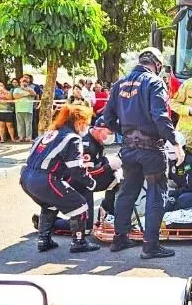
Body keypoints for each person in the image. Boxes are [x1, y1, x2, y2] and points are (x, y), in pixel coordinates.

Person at [104, 47, 185, 259]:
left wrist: (124, 133)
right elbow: (160, 116)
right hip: (151, 149)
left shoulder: (119, 84)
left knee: (127, 192)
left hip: (129, 149)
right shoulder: (155, 82)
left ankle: (119, 239)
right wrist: (175, 142)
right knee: (156, 194)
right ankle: (151, 246)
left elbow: (108, 118)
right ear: (157, 64)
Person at [20, 104, 100, 254]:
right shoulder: (72, 138)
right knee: (80, 205)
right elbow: (77, 169)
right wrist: (91, 183)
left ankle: (44, 240)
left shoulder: (48, 134)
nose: (87, 127)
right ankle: (79, 242)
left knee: (50, 204)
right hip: (46, 179)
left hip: (26, 178)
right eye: (87, 123)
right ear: (79, 121)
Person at [32, 122, 120, 235]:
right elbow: (85, 174)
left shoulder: (97, 140)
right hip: (75, 182)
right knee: (86, 228)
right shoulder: (86, 145)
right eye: (110, 133)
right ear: (99, 129)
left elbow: (99, 162)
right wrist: (108, 167)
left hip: (85, 181)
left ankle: (107, 213)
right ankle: (47, 223)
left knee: (116, 180)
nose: (112, 136)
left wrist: (109, 165)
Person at [164, 133, 192, 212]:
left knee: (183, 201)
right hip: (179, 192)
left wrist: (175, 193)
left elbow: (191, 186)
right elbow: (171, 181)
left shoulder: (189, 162)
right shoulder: (171, 161)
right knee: (166, 205)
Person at [14, 76, 37, 142]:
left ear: (28, 83)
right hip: (19, 109)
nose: (24, 83)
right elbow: (15, 96)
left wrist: (26, 89)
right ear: (20, 83)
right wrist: (25, 94)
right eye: (23, 82)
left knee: (28, 124)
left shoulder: (30, 89)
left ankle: (28, 137)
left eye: (25, 82)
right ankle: (21, 137)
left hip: (28, 109)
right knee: (20, 124)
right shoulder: (17, 89)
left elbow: (34, 94)